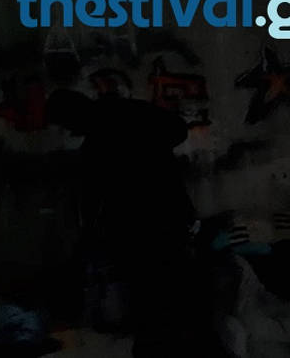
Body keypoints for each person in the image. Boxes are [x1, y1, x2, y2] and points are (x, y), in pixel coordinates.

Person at [45, 90, 209, 357]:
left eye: (67, 123)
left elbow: (93, 204)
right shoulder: (125, 116)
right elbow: (177, 130)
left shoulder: (98, 144)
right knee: (172, 292)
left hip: (141, 228)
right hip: (164, 219)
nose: (71, 131)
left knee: (153, 296)